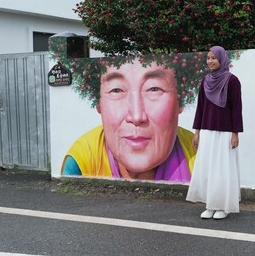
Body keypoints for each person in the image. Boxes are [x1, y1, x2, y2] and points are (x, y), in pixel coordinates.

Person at [61, 57, 197, 182]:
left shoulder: (201, 158)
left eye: (154, 89)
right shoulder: (81, 162)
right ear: (99, 104)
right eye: (116, 90)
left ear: (180, 102)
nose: (137, 117)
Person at [186, 46, 243, 220]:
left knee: (222, 169)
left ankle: (223, 206)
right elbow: (200, 108)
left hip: (225, 132)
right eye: (208, 58)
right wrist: (197, 132)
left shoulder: (232, 81)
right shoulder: (205, 81)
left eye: (213, 58)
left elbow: (236, 109)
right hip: (208, 131)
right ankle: (210, 205)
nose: (210, 61)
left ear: (222, 59)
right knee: (209, 168)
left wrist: (235, 133)